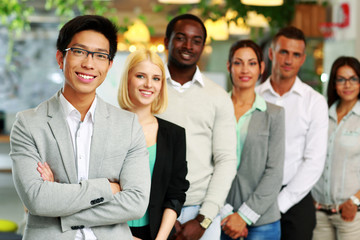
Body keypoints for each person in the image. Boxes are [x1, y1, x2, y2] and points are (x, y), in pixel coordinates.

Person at [9, 15, 150, 240]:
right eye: (79, 51)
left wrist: (61, 204)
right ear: (60, 57)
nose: (89, 63)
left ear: (109, 64)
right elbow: (37, 199)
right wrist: (108, 188)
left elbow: (136, 203)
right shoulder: (28, 124)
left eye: (100, 55)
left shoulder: (128, 125)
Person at [158, 14, 237, 240]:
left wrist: (204, 219)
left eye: (196, 40)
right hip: (154, 209)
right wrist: (160, 216)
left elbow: (226, 159)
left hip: (201, 211)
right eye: (181, 38)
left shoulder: (218, 97)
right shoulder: (148, 90)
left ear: (203, 46)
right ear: (167, 41)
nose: (188, 46)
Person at [256, 26, 328, 240]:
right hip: (253, 194)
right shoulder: (253, 96)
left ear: (303, 59)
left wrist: (280, 203)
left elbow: (314, 162)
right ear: (271, 53)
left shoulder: (314, 102)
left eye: (296, 55)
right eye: (283, 52)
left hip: (295, 201)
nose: (289, 60)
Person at [117, 49, 189, 240]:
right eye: (141, 76)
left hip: (156, 233)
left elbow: (175, 194)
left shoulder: (174, 135)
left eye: (156, 78)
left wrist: (160, 239)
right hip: (112, 232)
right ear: (128, 79)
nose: (149, 84)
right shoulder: (107, 127)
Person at [221, 40, 285, 240]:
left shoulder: (274, 114)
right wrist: (225, 212)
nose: (245, 70)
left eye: (252, 63)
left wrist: (243, 217)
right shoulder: (216, 109)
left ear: (261, 68)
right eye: (238, 63)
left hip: (262, 221)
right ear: (229, 66)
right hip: (220, 216)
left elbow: (274, 172)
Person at [312, 56, 360, 240]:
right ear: (333, 83)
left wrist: (355, 200)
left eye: (353, 79)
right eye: (341, 79)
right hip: (319, 212)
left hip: (350, 214)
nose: (347, 85)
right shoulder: (322, 114)